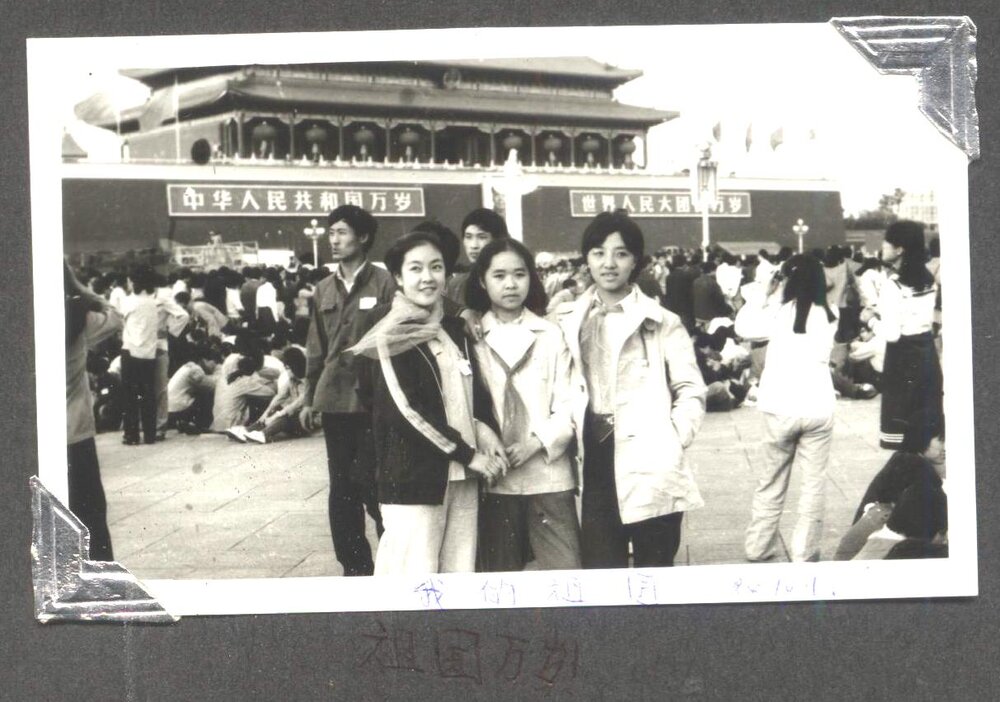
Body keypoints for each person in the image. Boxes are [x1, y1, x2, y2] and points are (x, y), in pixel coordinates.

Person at [352, 230, 506, 575]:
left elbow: (469, 396)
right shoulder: (388, 331)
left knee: (458, 576)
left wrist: (485, 431)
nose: (427, 277)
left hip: (463, 478)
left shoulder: (452, 328)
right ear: (398, 278)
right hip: (415, 479)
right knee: (411, 580)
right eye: (416, 268)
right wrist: (469, 455)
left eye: (436, 267)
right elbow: (406, 412)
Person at [559, 211, 707, 569]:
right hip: (595, 453)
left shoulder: (662, 322)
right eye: (598, 253)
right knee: (601, 569)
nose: (608, 263)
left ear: (636, 261)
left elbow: (690, 388)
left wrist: (673, 436)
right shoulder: (569, 319)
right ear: (586, 259)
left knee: (654, 572)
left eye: (621, 253)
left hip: (651, 456)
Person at [465, 238, 583, 571]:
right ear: (482, 281)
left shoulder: (550, 333)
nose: (510, 284)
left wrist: (535, 443)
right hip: (496, 475)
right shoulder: (471, 338)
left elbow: (568, 401)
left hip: (548, 472)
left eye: (519, 274)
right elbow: (466, 405)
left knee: (565, 573)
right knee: (501, 583)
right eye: (499, 275)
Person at [300, 204, 396, 576]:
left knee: (374, 484)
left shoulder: (385, 283)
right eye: (331, 233)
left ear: (363, 237)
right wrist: (309, 398)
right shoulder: (323, 288)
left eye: (341, 232)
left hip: (373, 401)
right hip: (335, 401)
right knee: (341, 490)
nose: (334, 240)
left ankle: (391, 563)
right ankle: (355, 568)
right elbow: (316, 347)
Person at [743, 254, 838, 562]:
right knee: (813, 483)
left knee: (770, 481)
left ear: (789, 280)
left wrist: (765, 290)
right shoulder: (832, 313)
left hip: (779, 406)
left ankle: (758, 547)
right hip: (818, 406)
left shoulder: (777, 312)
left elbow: (743, 326)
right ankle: (804, 551)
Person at [65, 262, 122, 560]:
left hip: (30, 439)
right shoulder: (76, 318)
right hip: (76, 435)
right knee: (90, 518)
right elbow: (115, 316)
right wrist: (80, 288)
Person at [871, 221, 943, 450]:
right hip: (926, 356)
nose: (883, 246)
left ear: (900, 248)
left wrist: (871, 320)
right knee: (926, 436)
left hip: (902, 361)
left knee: (903, 440)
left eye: (887, 241)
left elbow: (892, 334)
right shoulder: (929, 281)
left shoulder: (894, 286)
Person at [120, 265, 161, 445]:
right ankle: (150, 434)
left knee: (129, 396)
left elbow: (120, 322)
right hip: (149, 353)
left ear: (133, 282)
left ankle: (132, 435)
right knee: (148, 395)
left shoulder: (129, 301)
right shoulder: (154, 303)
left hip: (130, 350)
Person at [238, 347, 311, 444]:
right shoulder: (292, 379)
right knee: (276, 410)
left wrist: (277, 415)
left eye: (287, 368)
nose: (286, 372)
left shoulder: (309, 381)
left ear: (295, 366)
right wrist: (266, 413)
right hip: (297, 414)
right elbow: (280, 397)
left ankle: (264, 434)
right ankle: (248, 430)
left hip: (309, 418)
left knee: (286, 416)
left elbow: (298, 403)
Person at [445, 208, 510, 306]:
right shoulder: (456, 285)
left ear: (497, 240)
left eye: (482, 237)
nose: (474, 245)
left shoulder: (510, 282)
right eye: (468, 237)